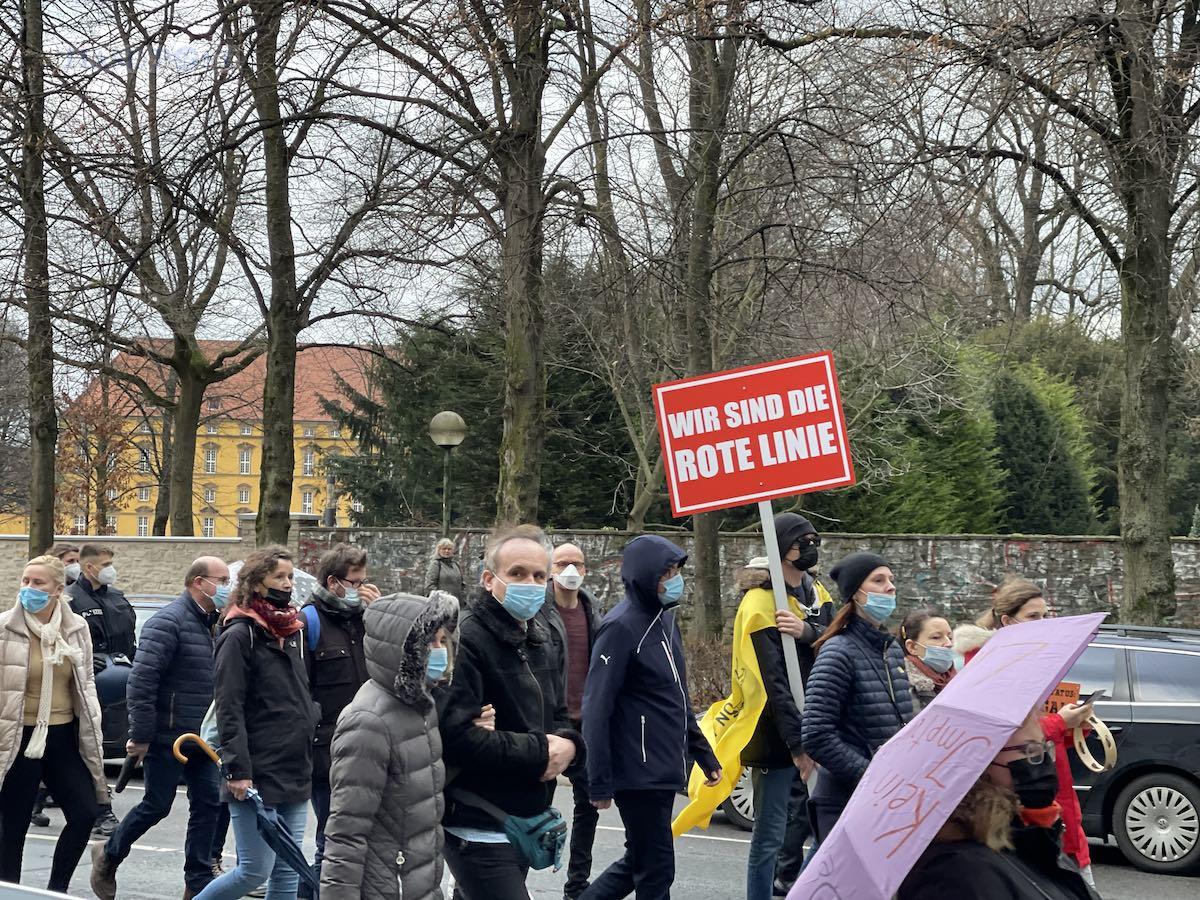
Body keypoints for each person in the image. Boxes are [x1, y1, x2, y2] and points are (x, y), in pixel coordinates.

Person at [437, 524, 584, 900]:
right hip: (478, 822)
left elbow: (559, 714)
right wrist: (541, 752)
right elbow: (456, 738)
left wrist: (569, 746)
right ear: (489, 579)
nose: (530, 583)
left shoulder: (543, 634)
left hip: (527, 819)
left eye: (538, 574)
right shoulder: (467, 637)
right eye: (517, 573)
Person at [581, 534, 721, 900]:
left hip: (660, 768)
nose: (674, 579)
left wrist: (703, 754)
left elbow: (676, 697)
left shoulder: (666, 622)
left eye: (676, 570)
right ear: (644, 576)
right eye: (666, 572)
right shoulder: (620, 627)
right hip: (637, 771)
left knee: (640, 861)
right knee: (656, 870)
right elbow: (597, 706)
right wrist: (598, 780)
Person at [91, 556, 230, 900]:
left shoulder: (218, 623)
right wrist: (139, 736)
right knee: (157, 804)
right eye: (222, 579)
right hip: (170, 735)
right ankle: (108, 855)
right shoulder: (168, 621)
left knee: (210, 804)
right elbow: (142, 681)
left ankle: (196, 882)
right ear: (199, 582)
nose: (228, 586)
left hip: (204, 737)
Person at [955, 577, 1096, 887]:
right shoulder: (989, 666)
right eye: (1033, 617)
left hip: (1051, 792)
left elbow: (1038, 734)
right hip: (1018, 803)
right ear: (1007, 621)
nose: (1043, 623)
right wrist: (1060, 723)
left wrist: (1073, 727)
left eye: (1046, 615)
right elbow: (1005, 735)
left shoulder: (1034, 660)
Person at [195, 546, 318, 900]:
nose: (287, 583)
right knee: (253, 870)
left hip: (294, 764)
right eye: (279, 577)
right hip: (255, 770)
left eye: (290, 577)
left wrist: (311, 716)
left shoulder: (291, 630)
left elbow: (299, 691)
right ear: (257, 583)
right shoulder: (240, 633)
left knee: (288, 870)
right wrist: (237, 770)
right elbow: (229, 707)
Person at [319, 591, 458, 900]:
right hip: (385, 886)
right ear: (402, 649)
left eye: (441, 641)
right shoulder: (368, 721)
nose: (439, 651)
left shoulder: (421, 705)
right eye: (429, 643)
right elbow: (346, 832)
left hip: (415, 881)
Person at [735, 513, 833, 900]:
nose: (810, 547)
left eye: (814, 538)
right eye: (801, 540)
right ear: (781, 548)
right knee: (770, 834)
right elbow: (773, 682)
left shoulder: (816, 593)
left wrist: (807, 631)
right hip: (777, 736)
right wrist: (798, 745)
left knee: (827, 828)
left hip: (821, 724)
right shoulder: (760, 602)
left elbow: (835, 638)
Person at [898, 711, 1100, 900]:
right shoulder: (955, 874)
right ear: (978, 760)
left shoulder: (1026, 837)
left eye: (1043, 747)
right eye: (1027, 750)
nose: (1041, 761)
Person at [0, 555, 107, 893]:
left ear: (59, 589)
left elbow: (86, 681)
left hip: (62, 735)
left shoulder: (76, 629)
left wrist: (93, 725)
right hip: (18, 736)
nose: (28, 588)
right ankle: (10, 891)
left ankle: (56, 890)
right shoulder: (5, 628)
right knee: (11, 828)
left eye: (38, 582)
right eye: (25, 581)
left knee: (85, 813)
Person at [800, 552, 913, 841]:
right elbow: (816, 734)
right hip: (846, 802)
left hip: (885, 799)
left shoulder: (891, 650)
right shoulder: (838, 652)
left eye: (891, 579)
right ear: (856, 594)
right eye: (878, 580)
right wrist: (871, 776)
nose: (890, 587)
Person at [301, 543, 382, 897]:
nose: (361, 588)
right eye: (355, 582)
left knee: (361, 839)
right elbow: (300, 686)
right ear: (334, 582)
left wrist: (377, 613)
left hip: (368, 744)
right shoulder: (309, 620)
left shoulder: (364, 617)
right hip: (327, 749)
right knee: (331, 839)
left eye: (365, 581)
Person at [539, 542, 602, 900]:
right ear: (550, 568)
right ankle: (514, 875)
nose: (570, 570)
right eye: (563, 563)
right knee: (533, 803)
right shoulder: (538, 611)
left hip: (585, 724)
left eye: (577, 564)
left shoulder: (593, 611)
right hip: (547, 723)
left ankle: (577, 885)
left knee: (589, 806)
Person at [66, 542, 136, 837]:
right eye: (105, 563)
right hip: (80, 687)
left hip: (115, 686)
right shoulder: (70, 599)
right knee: (85, 749)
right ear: (89, 567)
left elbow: (130, 640)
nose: (110, 569)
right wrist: (83, 659)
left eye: (111, 562)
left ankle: (40, 798)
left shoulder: (118, 598)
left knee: (94, 749)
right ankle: (101, 812)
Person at [900, 607, 956, 714]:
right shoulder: (902, 688)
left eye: (950, 637)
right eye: (936, 637)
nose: (948, 643)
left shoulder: (960, 682)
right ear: (912, 647)